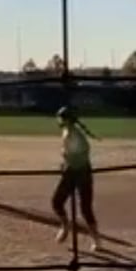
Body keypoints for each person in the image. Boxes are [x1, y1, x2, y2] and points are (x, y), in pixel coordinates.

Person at [52, 107, 103, 253]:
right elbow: (70, 153)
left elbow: (83, 152)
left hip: (80, 172)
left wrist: (69, 161)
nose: (59, 121)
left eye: (61, 118)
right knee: (58, 202)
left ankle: (95, 239)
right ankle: (66, 226)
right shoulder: (67, 131)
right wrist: (66, 162)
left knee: (84, 208)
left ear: (67, 119)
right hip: (74, 171)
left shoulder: (74, 134)